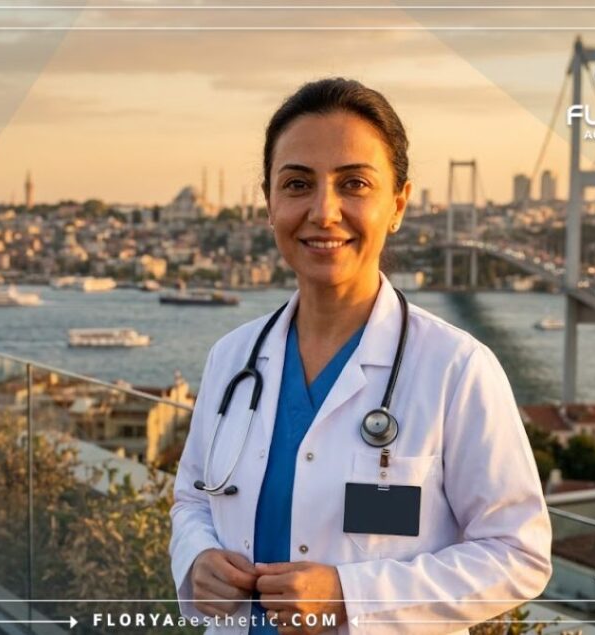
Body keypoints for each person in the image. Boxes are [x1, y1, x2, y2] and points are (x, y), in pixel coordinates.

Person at [169, 78, 552, 635]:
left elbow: (518, 553)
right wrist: (198, 559)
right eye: (297, 184)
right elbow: (192, 500)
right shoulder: (232, 360)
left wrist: (352, 597)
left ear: (397, 204)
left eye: (354, 184)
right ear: (270, 204)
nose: (324, 212)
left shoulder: (457, 369)